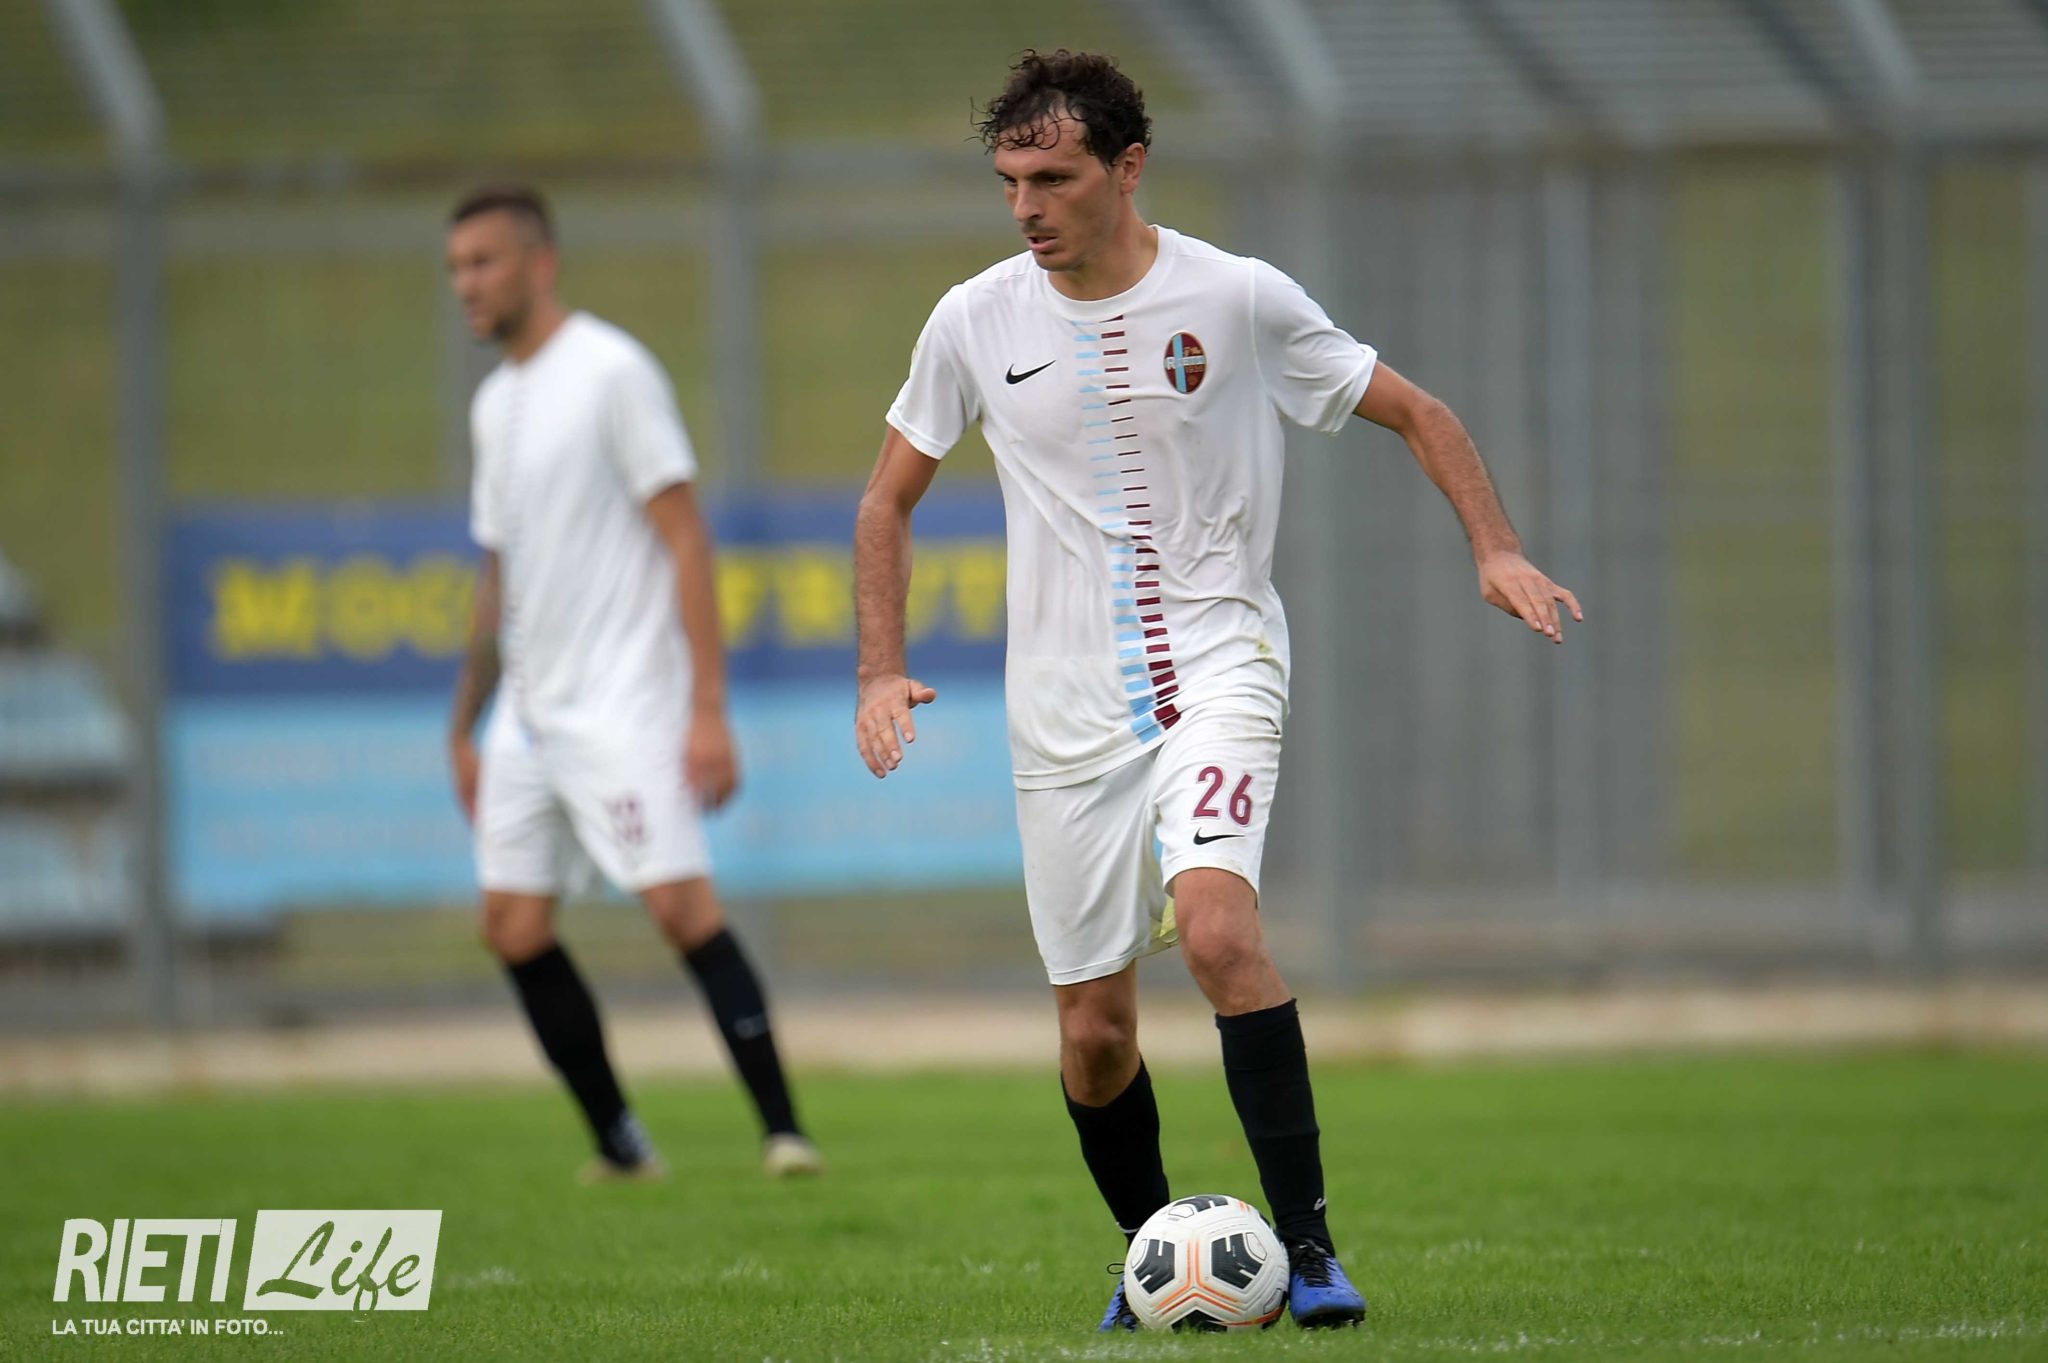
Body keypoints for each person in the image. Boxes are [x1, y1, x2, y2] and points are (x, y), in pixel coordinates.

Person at [852, 52, 1579, 1329]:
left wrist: (1496, 547)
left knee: (1217, 932)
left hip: (1217, 665)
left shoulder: (1237, 298)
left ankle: (1308, 1250)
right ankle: (1153, 1258)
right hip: (1060, 715)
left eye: (1052, 178)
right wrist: (877, 666)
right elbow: (884, 502)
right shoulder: (972, 319)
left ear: (1127, 168)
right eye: (1009, 181)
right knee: (1093, 1036)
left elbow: (1416, 411)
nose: (1025, 207)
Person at [444, 183, 820, 1181]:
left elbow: (686, 537)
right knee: (511, 925)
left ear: (540, 263)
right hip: (528, 717)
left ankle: (785, 1135)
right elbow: (498, 574)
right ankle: (622, 1146)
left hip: (622, 701)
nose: (467, 284)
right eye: (456, 268)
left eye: (483, 261)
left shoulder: (611, 371)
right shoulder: (493, 404)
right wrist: (463, 726)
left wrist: (707, 709)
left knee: (681, 909)